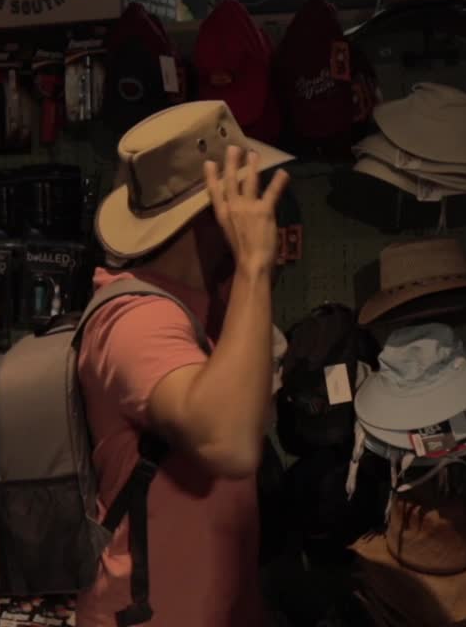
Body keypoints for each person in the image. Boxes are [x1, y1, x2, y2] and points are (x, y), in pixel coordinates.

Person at [76, 101, 293, 626]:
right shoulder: (137, 321)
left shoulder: (200, 309)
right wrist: (254, 264)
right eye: (246, 190)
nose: (261, 204)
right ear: (213, 209)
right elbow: (229, 443)